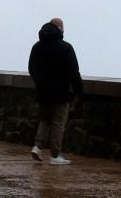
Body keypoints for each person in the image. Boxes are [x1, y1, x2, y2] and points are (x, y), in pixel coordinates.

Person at [28, 17, 83, 165]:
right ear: (59, 29)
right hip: (61, 93)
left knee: (45, 120)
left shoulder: (37, 47)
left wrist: (40, 83)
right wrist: (79, 90)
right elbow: (74, 72)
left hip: (42, 92)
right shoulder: (66, 47)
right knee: (58, 123)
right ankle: (55, 155)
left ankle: (37, 147)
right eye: (63, 27)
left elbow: (32, 68)